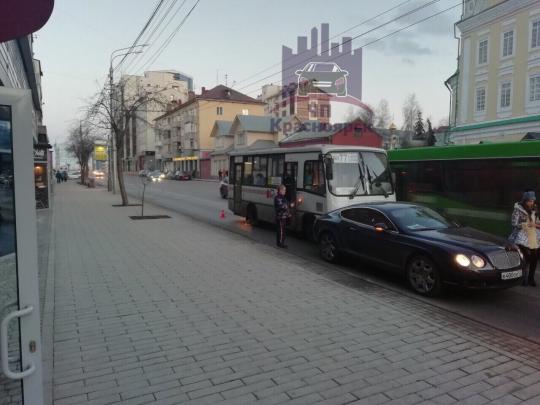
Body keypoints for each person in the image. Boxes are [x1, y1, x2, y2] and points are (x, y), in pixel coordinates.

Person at [509, 190, 540, 286]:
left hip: (533, 236)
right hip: (521, 236)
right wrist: (526, 225)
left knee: (534, 258)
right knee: (526, 257)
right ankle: (523, 278)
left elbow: (536, 222)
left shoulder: (534, 209)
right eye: (529, 201)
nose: (531, 203)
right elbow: (514, 223)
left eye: (533, 201)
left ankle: (531, 278)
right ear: (525, 200)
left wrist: (537, 224)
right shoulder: (518, 209)